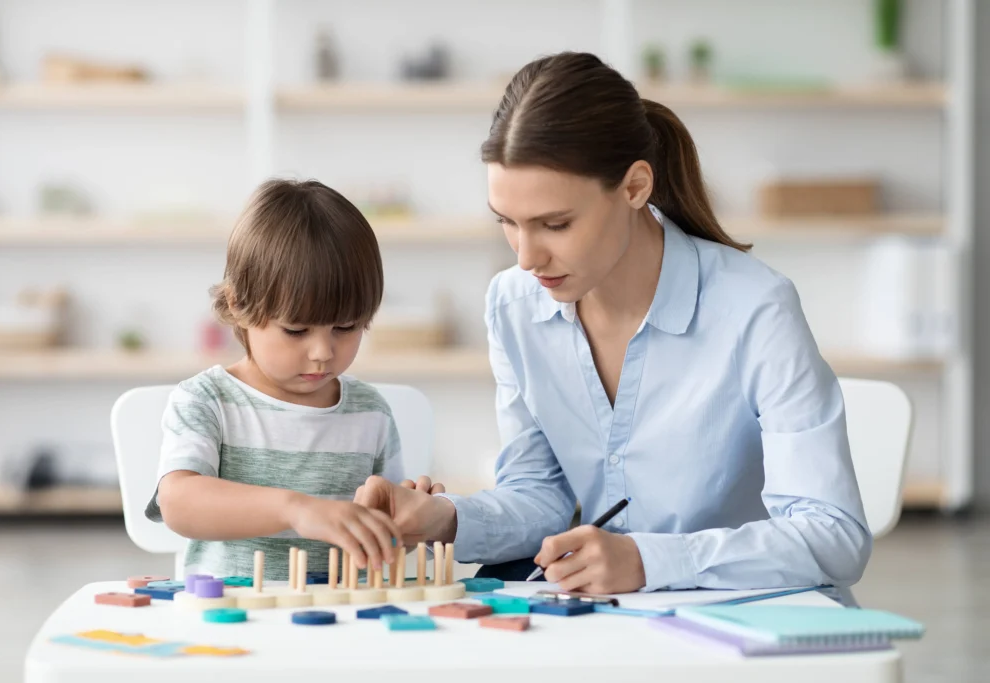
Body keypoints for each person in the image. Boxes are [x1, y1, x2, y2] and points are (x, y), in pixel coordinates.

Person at [355, 52, 871, 595]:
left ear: (634, 188)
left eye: (554, 224)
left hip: (746, 619)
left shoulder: (755, 308)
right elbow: (541, 496)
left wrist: (651, 562)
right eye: (507, 222)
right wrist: (442, 518)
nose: (526, 256)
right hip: (609, 619)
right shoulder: (513, 305)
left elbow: (833, 536)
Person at [146, 178, 413, 580]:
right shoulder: (206, 400)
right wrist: (295, 508)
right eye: (296, 330)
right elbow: (179, 503)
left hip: (346, 622)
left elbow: (393, 529)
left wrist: (408, 515)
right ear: (239, 305)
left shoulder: (370, 412)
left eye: (346, 327)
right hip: (233, 622)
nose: (323, 351)